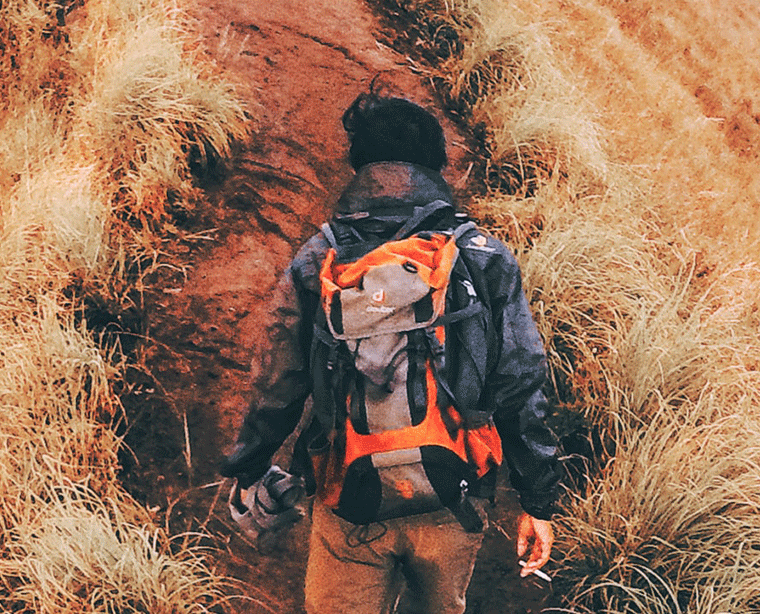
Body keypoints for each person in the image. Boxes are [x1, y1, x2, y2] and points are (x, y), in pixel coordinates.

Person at [222, 91, 560, 614]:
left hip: (348, 493)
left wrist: (250, 465)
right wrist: (537, 501)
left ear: (361, 165)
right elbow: (520, 381)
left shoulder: (321, 257)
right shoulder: (482, 258)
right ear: (436, 165)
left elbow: (279, 378)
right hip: (454, 495)